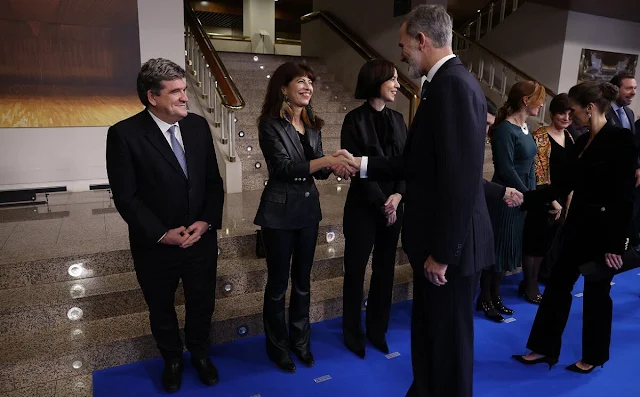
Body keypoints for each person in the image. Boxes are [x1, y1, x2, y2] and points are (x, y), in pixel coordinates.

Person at [338, 5, 494, 396]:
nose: (402, 53)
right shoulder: (443, 85)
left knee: (449, 344)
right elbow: (416, 162)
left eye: (404, 45)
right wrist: (361, 164)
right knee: (429, 336)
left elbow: (459, 180)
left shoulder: (454, 86)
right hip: (437, 243)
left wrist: (443, 252)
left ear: (422, 41)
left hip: (448, 251)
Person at [106, 58, 224, 392]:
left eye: (184, 90)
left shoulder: (198, 126)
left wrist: (206, 222)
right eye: (176, 92)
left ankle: (200, 353)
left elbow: (213, 183)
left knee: (202, 301)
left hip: (200, 239)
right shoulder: (124, 135)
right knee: (161, 307)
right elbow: (127, 197)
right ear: (152, 97)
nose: (185, 97)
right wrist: (161, 233)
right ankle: (172, 359)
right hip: (155, 245)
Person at [513, 81, 636, 374]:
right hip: (577, 228)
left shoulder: (620, 140)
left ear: (589, 109)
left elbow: (624, 196)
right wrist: (523, 199)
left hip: (604, 234)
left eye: (575, 109)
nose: (572, 115)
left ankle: (593, 356)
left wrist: (616, 245)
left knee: (596, 294)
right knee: (557, 287)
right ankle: (543, 348)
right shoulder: (581, 143)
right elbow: (563, 185)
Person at [254, 62, 356, 373]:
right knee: (277, 285)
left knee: (302, 282)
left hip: (308, 211)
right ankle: (277, 346)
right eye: (301, 81)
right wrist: (323, 160)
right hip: (278, 212)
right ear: (283, 88)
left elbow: (318, 170)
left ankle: (301, 341)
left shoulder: (312, 125)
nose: (308, 87)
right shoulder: (269, 124)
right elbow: (284, 168)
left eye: (311, 82)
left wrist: (334, 163)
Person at [340, 59, 407, 359]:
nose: (397, 85)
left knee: (385, 271)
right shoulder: (353, 120)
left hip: (395, 205)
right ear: (376, 80)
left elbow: (406, 165)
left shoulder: (399, 119)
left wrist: (397, 197)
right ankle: (352, 332)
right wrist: (383, 201)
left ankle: (377, 330)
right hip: (364, 207)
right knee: (355, 271)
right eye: (392, 79)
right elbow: (355, 168)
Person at [478, 81, 544, 322]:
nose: (542, 103)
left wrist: (531, 196)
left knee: (507, 251)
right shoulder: (505, 129)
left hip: (520, 199)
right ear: (525, 100)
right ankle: (485, 298)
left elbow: (530, 167)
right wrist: (527, 194)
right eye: (538, 98)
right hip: (505, 198)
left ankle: (495, 296)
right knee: (496, 250)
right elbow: (505, 169)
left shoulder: (525, 127)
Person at [522, 94, 575, 290]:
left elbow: (571, 172)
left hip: (562, 197)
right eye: (562, 112)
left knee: (547, 244)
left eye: (570, 113)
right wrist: (553, 201)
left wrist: (568, 197)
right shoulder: (540, 136)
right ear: (552, 113)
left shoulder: (569, 136)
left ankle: (536, 281)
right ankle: (529, 286)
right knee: (533, 244)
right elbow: (537, 174)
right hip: (542, 197)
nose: (567, 117)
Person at [607, 73, 639, 246]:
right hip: (608, 179)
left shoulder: (629, 113)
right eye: (628, 88)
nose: (633, 92)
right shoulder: (604, 113)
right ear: (615, 89)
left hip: (627, 181)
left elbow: (632, 147)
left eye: (635, 88)